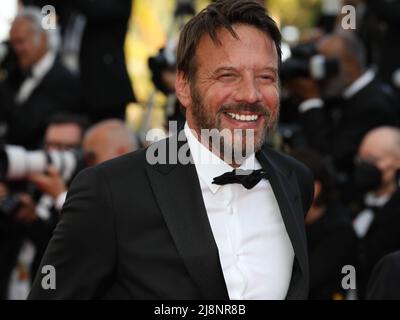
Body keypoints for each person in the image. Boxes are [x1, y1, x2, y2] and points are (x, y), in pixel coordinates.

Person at [28, 0, 314, 300]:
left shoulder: (295, 181)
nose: (251, 95)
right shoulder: (110, 193)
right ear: (183, 86)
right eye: (227, 75)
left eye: (265, 77)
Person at [3, 7, 81, 150]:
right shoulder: (16, 73)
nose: (16, 50)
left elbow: (25, 127)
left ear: (44, 38)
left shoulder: (62, 80)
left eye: (21, 42)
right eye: (13, 44)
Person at [291, 148, 357, 300]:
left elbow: (304, 282)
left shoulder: (339, 232)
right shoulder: (293, 220)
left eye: (289, 184)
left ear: (315, 189)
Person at [352, 126, 400, 297]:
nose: (365, 167)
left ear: (397, 161)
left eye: (372, 160)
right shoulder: (351, 200)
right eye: (361, 160)